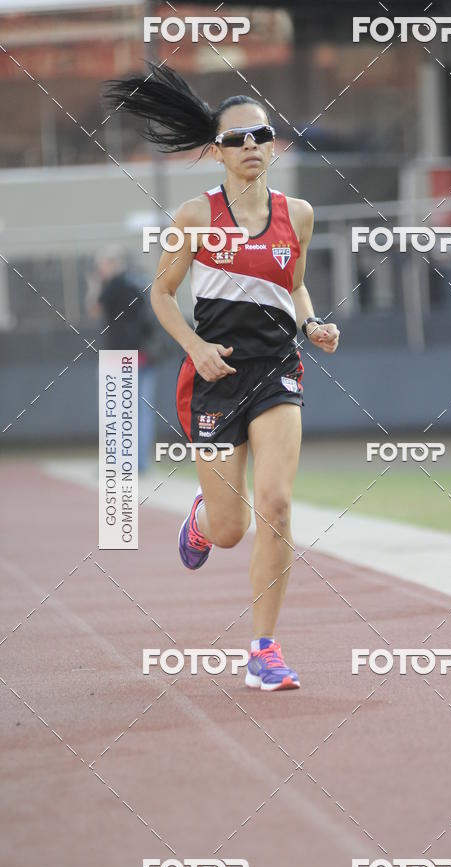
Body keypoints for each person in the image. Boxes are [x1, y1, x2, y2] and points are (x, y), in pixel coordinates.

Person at [104, 64, 339, 690]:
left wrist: (313, 323)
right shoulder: (194, 215)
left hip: (276, 369)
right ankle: (203, 520)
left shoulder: (300, 214)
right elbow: (161, 294)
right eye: (238, 139)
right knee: (231, 529)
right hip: (215, 373)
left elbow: (294, 286)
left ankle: (264, 650)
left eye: (261, 134)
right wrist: (194, 345)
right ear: (217, 150)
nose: (252, 147)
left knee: (279, 504)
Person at [86, 246, 160, 472]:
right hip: (144, 355)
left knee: (114, 411)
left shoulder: (113, 285)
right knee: (142, 411)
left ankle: (116, 462)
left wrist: (94, 286)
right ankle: (140, 463)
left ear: (108, 264)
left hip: (118, 356)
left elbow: (94, 308)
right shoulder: (140, 282)